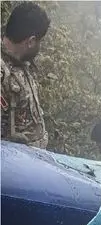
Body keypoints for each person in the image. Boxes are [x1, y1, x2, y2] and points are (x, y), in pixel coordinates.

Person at [1, 2, 50, 149]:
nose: (40, 47)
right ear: (31, 41)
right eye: (40, 41)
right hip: (13, 160)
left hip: (35, 157)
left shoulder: (24, 62)